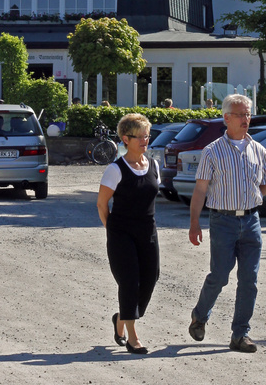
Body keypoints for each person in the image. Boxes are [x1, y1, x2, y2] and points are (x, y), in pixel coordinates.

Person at [188, 93, 266, 354]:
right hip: (222, 221)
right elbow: (200, 190)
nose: (246, 119)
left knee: (250, 280)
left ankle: (240, 335)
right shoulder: (212, 151)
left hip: (251, 221)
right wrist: (194, 223)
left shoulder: (257, 149)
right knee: (220, 276)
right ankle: (200, 316)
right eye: (240, 114)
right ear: (226, 118)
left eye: (248, 114)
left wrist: (252, 196)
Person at [97, 113, 160, 355]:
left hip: (148, 231)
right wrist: (112, 232)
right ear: (126, 138)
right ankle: (133, 337)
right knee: (130, 282)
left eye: (147, 135)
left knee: (150, 278)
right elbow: (102, 205)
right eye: (140, 137)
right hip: (121, 233)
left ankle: (121, 318)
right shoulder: (115, 169)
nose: (145, 140)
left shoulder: (154, 166)